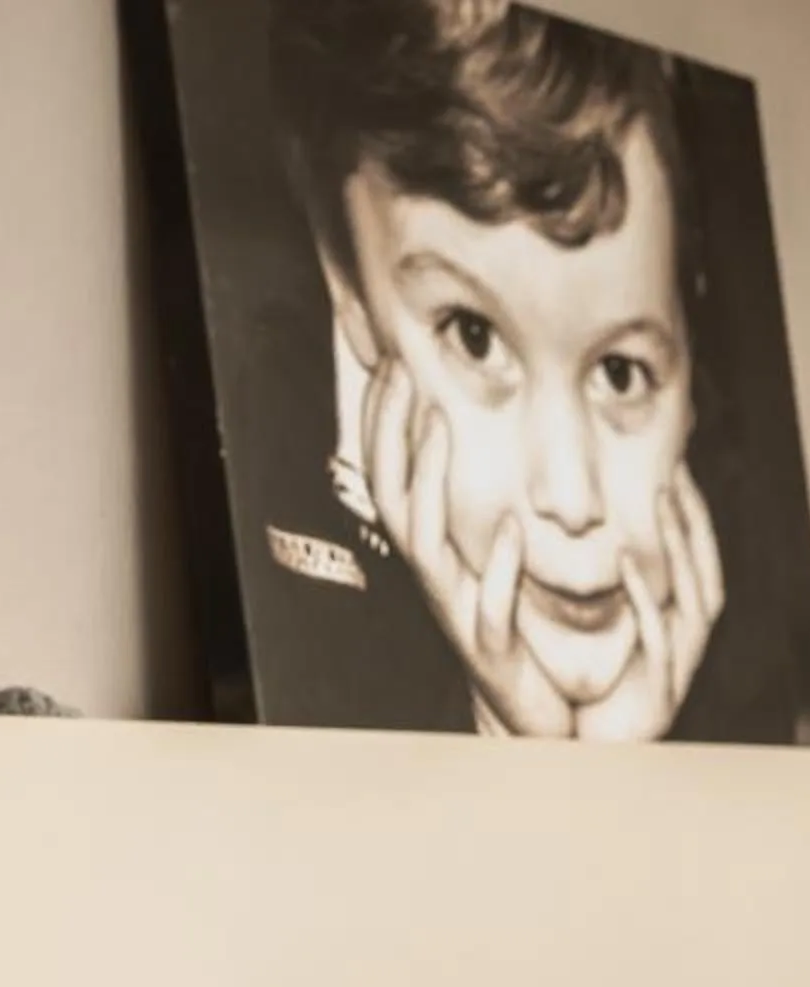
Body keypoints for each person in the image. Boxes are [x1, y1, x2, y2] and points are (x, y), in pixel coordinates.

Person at [269, 0, 724, 740]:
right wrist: (502, 728)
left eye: (620, 372)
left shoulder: (754, 641)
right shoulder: (276, 560)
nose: (571, 499)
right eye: (475, 338)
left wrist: (606, 764)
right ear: (349, 290)